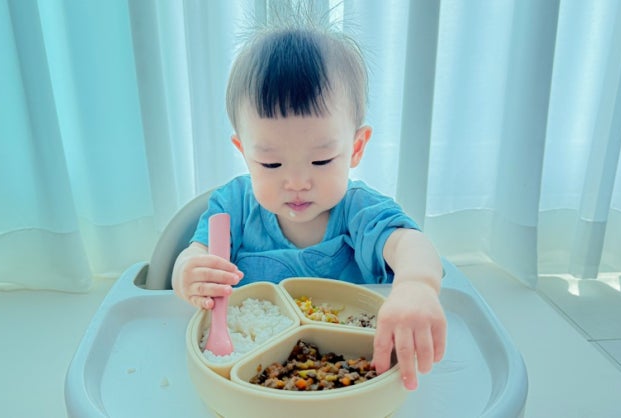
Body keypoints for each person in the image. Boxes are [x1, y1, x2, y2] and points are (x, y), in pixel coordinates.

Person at [172, 13, 446, 391]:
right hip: (252, 380)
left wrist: (416, 286)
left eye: (321, 160)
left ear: (356, 148)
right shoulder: (233, 206)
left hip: (354, 377)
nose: (298, 183)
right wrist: (187, 273)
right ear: (244, 152)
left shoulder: (359, 210)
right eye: (271, 164)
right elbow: (196, 256)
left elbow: (410, 244)